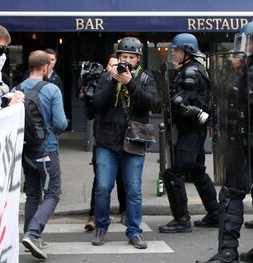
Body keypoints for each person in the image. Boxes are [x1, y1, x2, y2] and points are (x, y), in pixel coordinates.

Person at [90, 36, 159, 249]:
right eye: (123, 56)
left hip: (134, 142)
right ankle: (101, 226)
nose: (127, 60)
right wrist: (113, 81)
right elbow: (97, 106)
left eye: (131, 57)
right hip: (107, 142)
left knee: (134, 190)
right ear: (117, 57)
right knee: (103, 187)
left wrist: (129, 83)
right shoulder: (105, 78)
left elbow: (151, 104)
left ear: (138, 60)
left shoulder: (146, 79)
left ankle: (134, 231)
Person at [197, 22, 253, 263]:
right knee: (231, 194)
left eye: (248, 42)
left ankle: (228, 251)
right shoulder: (242, 71)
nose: (243, 48)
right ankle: (228, 250)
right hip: (240, 142)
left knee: (231, 194)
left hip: (245, 145)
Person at [158, 33, 220, 234]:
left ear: (187, 51)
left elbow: (180, 103)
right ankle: (215, 213)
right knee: (197, 171)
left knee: (174, 174)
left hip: (190, 131)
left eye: (176, 49)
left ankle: (182, 219)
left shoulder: (191, 72)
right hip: (194, 130)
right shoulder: (193, 68)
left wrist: (174, 105)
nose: (173, 52)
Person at [20, 50, 68, 260]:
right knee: (53, 193)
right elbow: (60, 123)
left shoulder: (17, 89)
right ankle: (32, 233)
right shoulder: (52, 89)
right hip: (46, 149)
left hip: (26, 151)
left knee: (32, 193)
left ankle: (30, 236)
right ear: (46, 67)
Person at [81, 55, 127, 231]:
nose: (115, 68)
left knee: (123, 178)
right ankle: (94, 215)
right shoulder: (101, 83)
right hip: (102, 139)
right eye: (112, 64)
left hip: (123, 139)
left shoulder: (127, 82)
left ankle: (125, 211)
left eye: (118, 65)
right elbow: (90, 114)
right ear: (107, 67)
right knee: (100, 181)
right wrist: (87, 98)